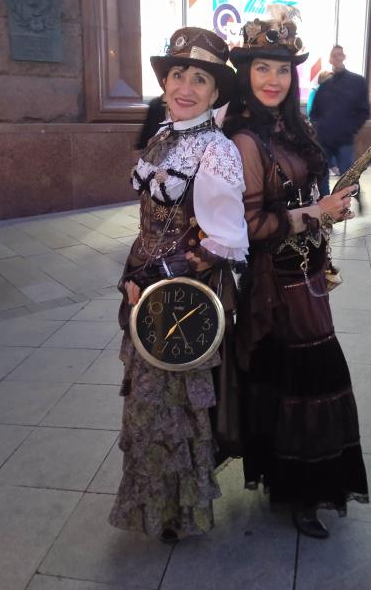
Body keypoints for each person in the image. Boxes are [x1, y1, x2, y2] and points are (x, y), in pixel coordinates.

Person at [223, 7, 369, 540]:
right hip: (275, 285)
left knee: (294, 379)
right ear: (246, 74)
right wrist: (315, 212)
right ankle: (301, 492)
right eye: (262, 68)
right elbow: (249, 226)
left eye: (282, 69)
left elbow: (302, 198)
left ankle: (295, 485)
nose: (273, 79)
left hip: (305, 275)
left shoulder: (292, 127)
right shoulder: (246, 141)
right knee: (307, 380)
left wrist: (328, 210)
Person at [109, 27, 248, 544]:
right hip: (144, 285)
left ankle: (175, 512)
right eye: (177, 74)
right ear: (165, 82)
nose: (185, 87)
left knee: (170, 404)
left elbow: (227, 240)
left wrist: (165, 276)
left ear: (215, 92)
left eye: (200, 79)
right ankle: (153, 504)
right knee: (146, 401)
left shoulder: (216, 150)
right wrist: (134, 278)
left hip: (179, 298)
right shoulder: (164, 136)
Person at [309, 45, 370, 209]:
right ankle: (326, 203)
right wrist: (319, 127)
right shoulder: (325, 87)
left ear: (343, 57)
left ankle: (357, 198)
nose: (337, 58)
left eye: (339, 54)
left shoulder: (357, 82)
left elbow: (364, 110)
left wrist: (351, 128)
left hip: (344, 137)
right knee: (322, 173)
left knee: (348, 173)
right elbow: (314, 112)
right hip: (325, 138)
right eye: (333, 55)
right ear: (330, 60)